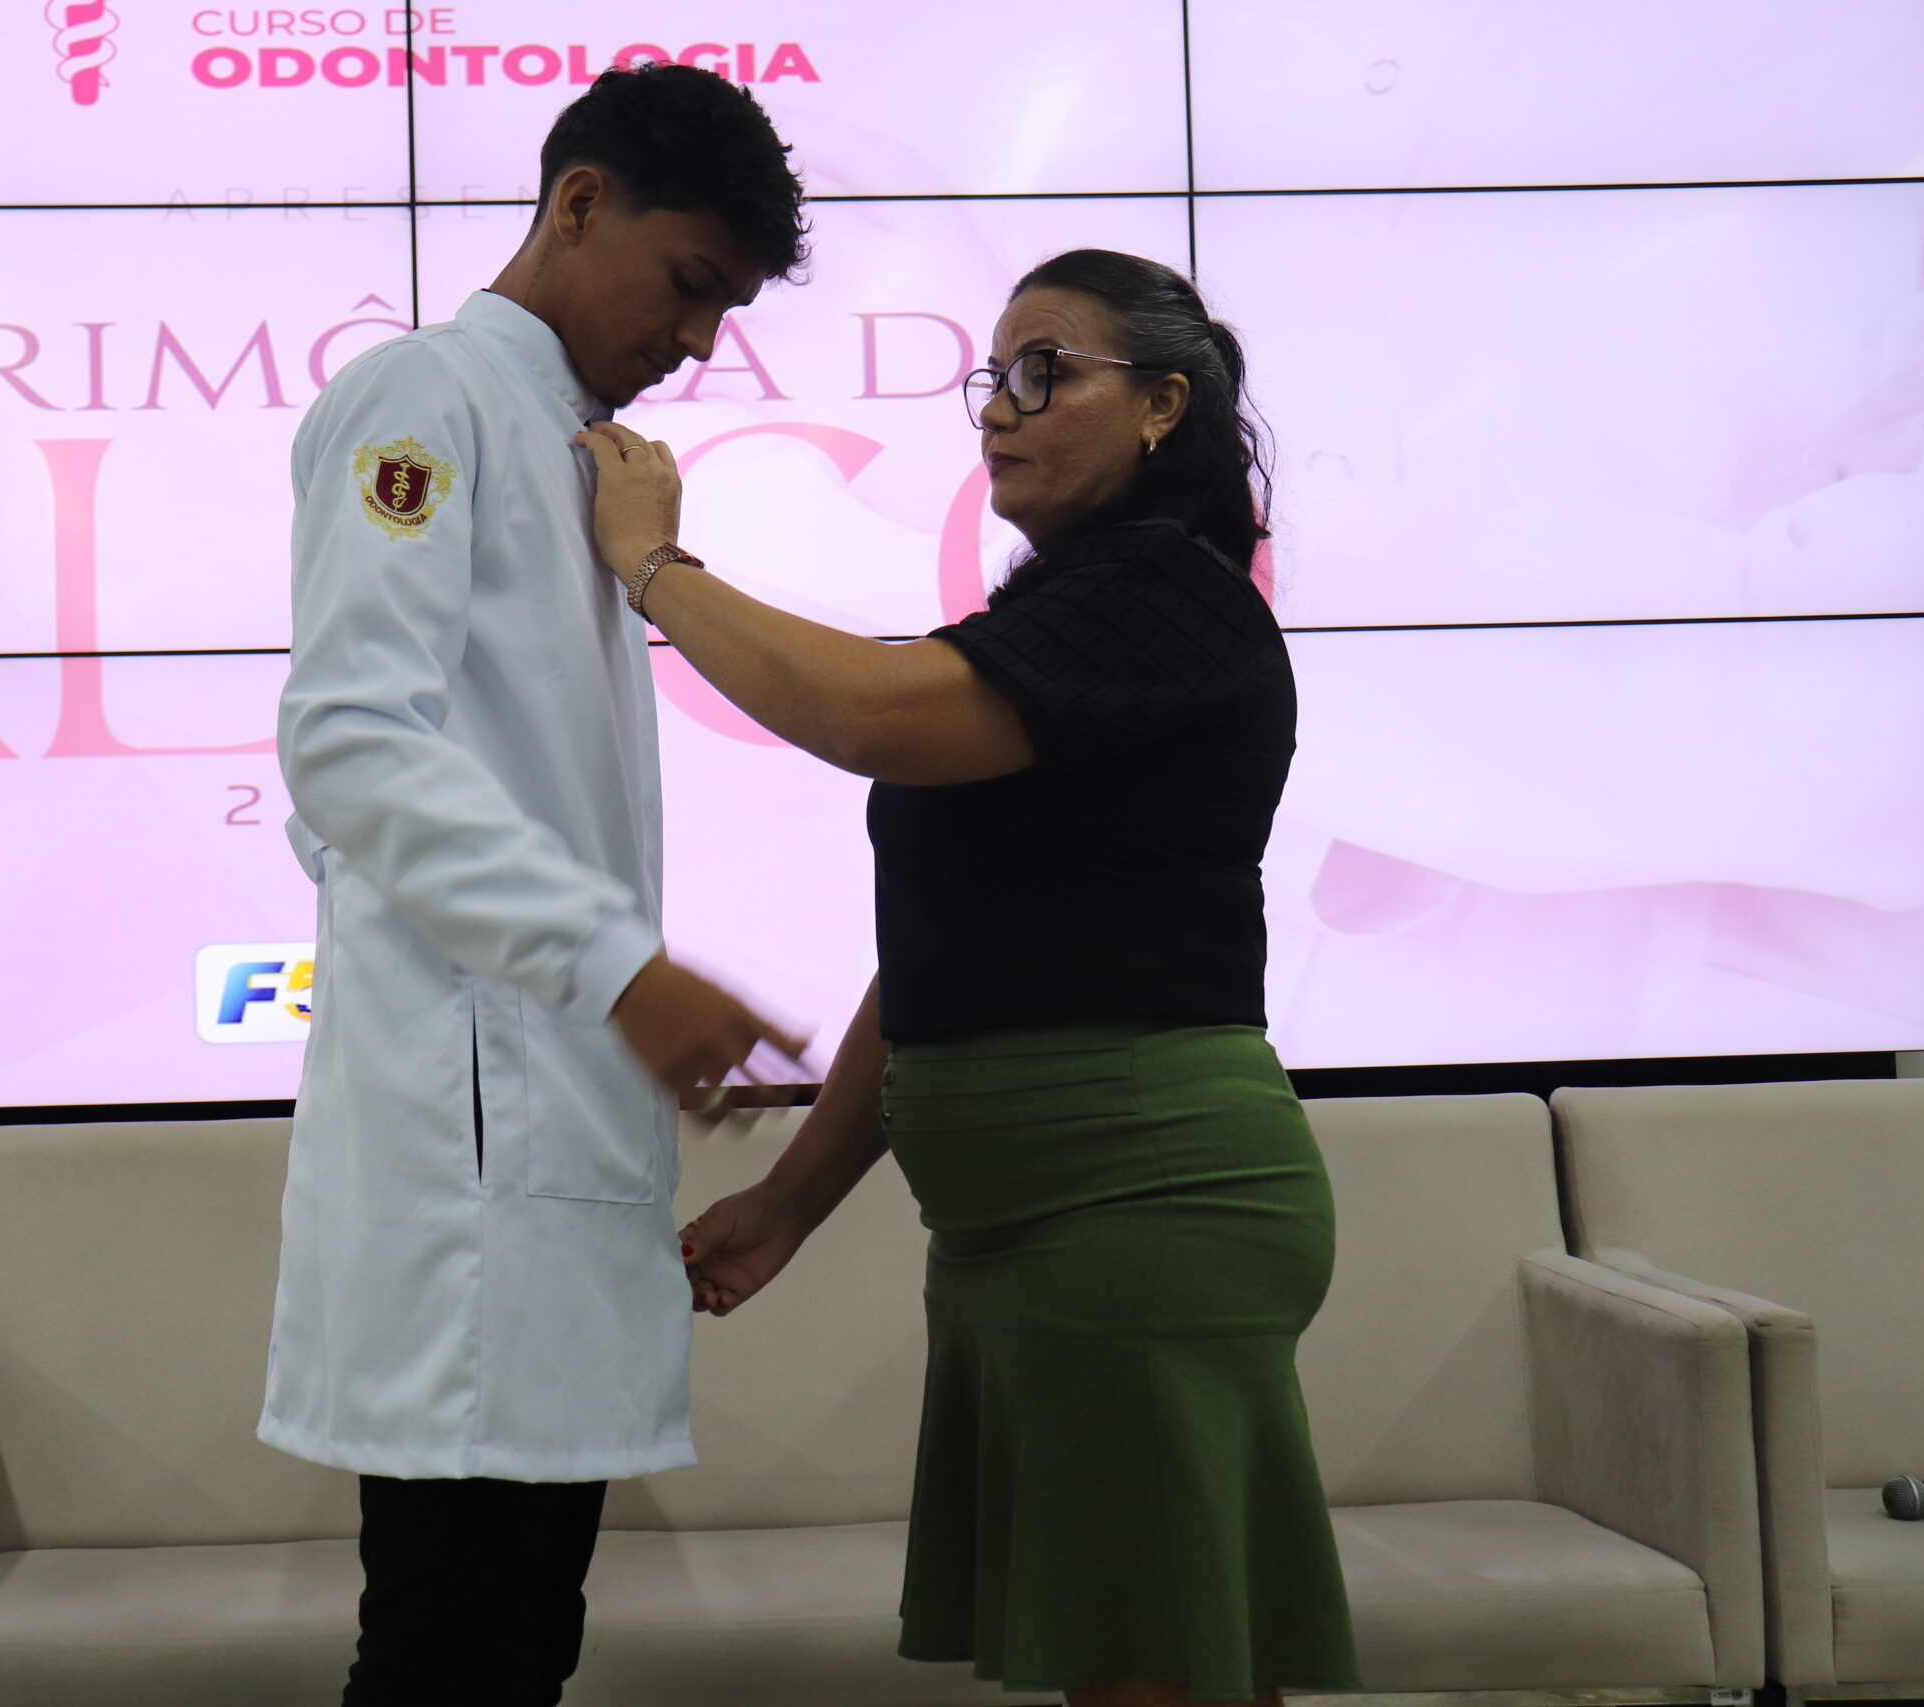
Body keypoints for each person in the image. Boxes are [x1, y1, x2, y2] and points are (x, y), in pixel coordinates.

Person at [572, 249, 1362, 1706]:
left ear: (1162, 406)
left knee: (1156, 1674)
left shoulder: (1169, 597)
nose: (1000, 407)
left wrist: (655, 565)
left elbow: (870, 714)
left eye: (1046, 372)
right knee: (1138, 1665)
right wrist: (789, 1204)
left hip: (1137, 1200)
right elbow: (950, 954)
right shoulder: (1064, 610)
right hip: (1021, 1233)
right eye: (995, 376)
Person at [263, 63, 811, 1707]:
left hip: (547, 1130)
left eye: (725, 310)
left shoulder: (588, 458)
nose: (696, 340)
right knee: (456, 1657)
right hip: (471, 1159)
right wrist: (614, 964)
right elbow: (349, 747)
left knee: (512, 1646)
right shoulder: (424, 398)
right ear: (579, 204)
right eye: (688, 283)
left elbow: (391, 795)